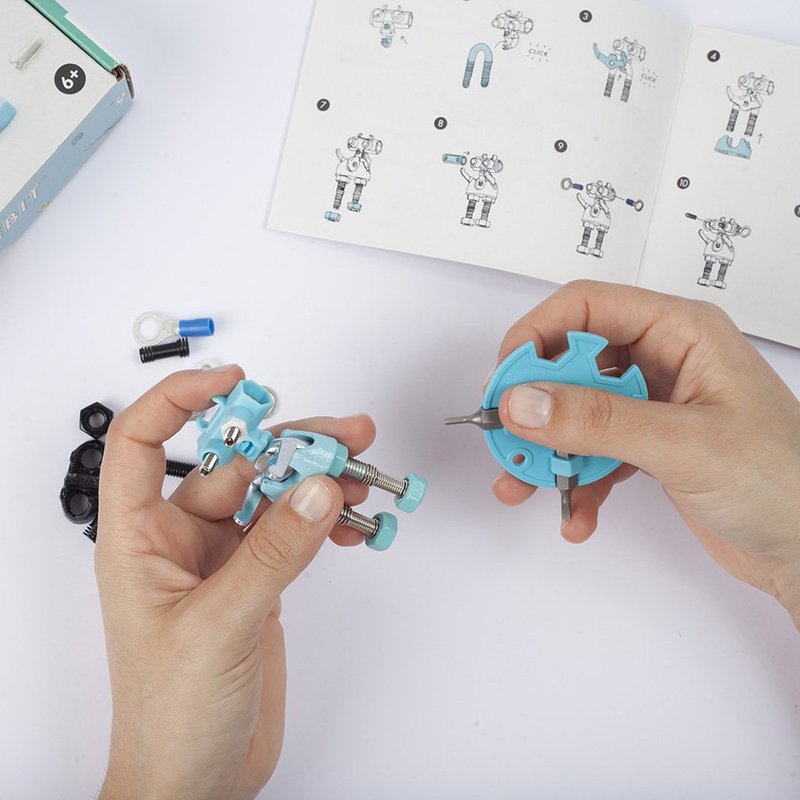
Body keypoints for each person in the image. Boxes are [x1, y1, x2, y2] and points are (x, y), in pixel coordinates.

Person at [95, 281, 800, 800]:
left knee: (351, 472)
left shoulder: (267, 442)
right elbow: (254, 494)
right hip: (297, 477)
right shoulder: (249, 463)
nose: (232, 434)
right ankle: (372, 514)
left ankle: (385, 498)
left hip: (317, 463)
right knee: (342, 488)